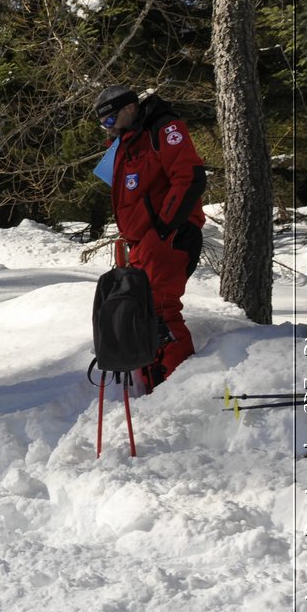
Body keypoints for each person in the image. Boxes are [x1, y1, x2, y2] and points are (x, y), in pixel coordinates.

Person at [93, 85, 207, 390]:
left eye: (110, 120)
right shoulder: (127, 143)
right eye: (105, 124)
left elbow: (189, 178)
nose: (110, 128)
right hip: (143, 242)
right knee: (143, 312)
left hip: (169, 236)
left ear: (129, 107)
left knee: (161, 311)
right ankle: (154, 384)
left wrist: (162, 228)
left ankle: (180, 389)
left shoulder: (164, 129)